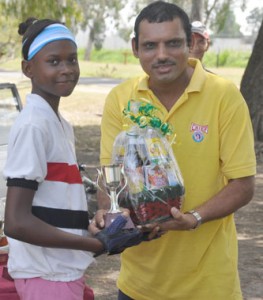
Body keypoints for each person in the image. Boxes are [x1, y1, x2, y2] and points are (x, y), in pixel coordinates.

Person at [98, 1, 256, 299]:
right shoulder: (121, 99)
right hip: (138, 285)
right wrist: (109, 212)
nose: (161, 55)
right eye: (150, 45)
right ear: (135, 47)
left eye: (173, 43)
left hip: (209, 285)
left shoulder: (224, 96)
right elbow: (111, 175)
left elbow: (243, 185)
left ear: (192, 43)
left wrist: (194, 217)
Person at [3, 17, 143, 300]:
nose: (67, 69)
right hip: (47, 275)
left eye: (72, 60)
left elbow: (53, 205)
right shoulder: (34, 125)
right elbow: (16, 222)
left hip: (62, 271)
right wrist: (93, 244)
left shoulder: (57, 122)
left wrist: (94, 226)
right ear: (28, 69)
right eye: (54, 62)